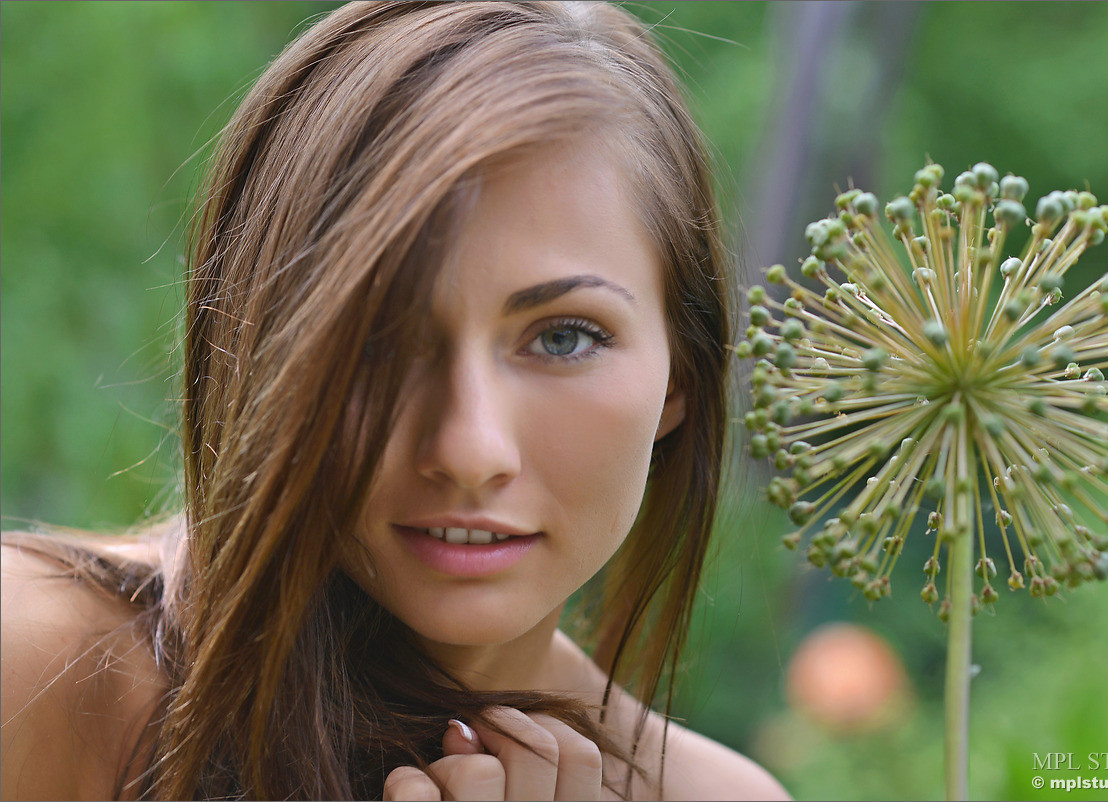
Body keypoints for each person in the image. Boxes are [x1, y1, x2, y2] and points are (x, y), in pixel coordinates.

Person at [1, 2, 791, 800]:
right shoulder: (34, 666)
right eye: (378, 339)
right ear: (263, 353)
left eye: (562, 338)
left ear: (680, 379)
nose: (469, 449)